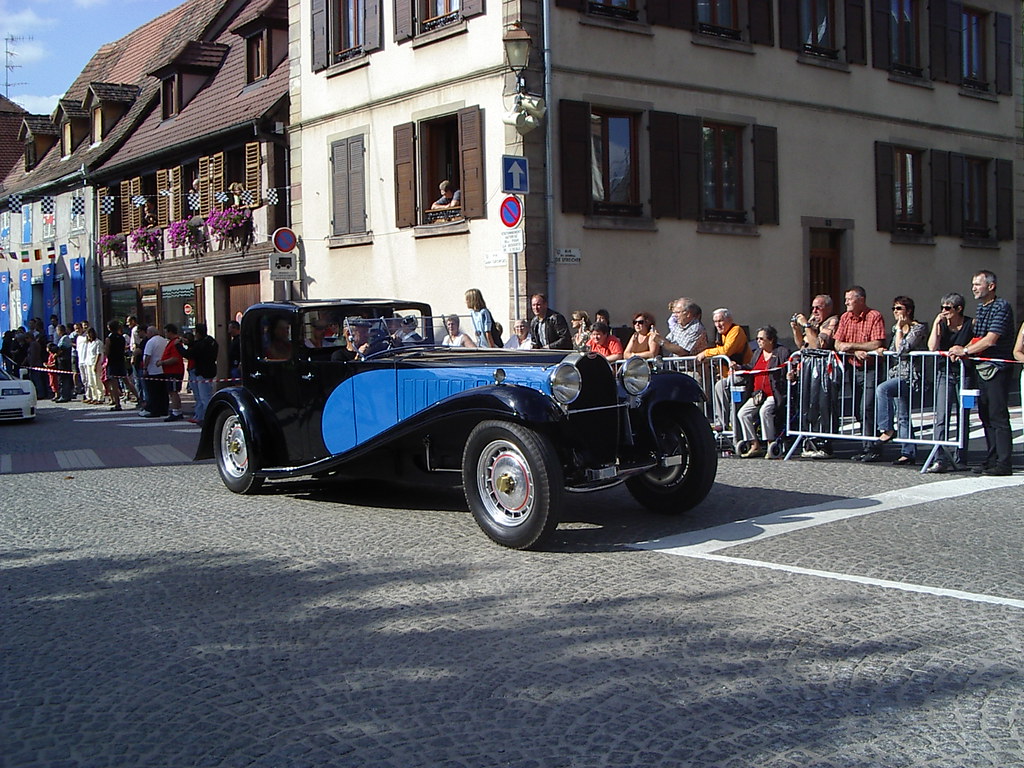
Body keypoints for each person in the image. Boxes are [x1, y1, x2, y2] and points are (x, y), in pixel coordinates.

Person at [948, 270, 1015, 476]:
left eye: (978, 284)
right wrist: (959, 349)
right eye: (973, 284)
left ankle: (1004, 463)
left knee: (998, 416)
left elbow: (991, 339)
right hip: (982, 367)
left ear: (991, 286)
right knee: (985, 415)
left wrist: (965, 351)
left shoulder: (1001, 307)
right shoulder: (981, 308)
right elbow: (978, 338)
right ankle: (991, 458)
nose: (974, 288)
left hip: (997, 368)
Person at [869, 297, 928, 465]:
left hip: (911, 376)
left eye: (899, 308)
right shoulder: (897, 328)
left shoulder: (918, 328)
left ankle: (887, 429)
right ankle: (908, 452)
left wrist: (901, 330)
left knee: (882, 389)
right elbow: (893, 350)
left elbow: (902, 350)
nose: (895, 312)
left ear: (908, 311)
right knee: (903, 415)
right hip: (896, 374)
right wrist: (883, 350)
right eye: (893, 308)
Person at [833, 286, 887, 461]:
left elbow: (877, 343)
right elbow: (838, 344)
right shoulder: (845, 317)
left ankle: (872, 447)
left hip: (871, 369)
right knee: (857, 408)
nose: (846, 302)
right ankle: (866, 444)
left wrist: (853, 346)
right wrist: (853, 350)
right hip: (853, 367)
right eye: (846, 299)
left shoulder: (874, 316)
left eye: (850, 298)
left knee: (868, 407)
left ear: (861, 300)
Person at [925, 293, 974, 473]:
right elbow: (932, 347)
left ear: (958, 309)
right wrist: (937, 324)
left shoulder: (970, 324)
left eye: (947, 308)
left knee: (963, 415)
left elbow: (973, 345)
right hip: (945, 373)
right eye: (942, 308)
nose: (943, 311)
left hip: (965, 374)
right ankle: (940, 458)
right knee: (942, 416)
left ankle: (961, 457)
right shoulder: (942, 325)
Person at [733, 326, 790, 458]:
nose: (758, 341)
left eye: (761, 339)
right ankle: (754, 443)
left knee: (764, 411)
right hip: (758, 393)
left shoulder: (781, 352)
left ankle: (770, 443)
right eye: (757, 338)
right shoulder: (757, 353)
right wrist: (739, 367)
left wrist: (791, 375)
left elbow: (788, 368)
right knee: (743, 413)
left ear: (771, 340)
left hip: (773, 393)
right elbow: (751, 368)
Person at [696, 308, 751, 432]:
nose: (718, 324)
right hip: (728, 374)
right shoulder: (721, 334)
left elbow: (726, 351)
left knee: (720, 387)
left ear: (729, 320)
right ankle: (722, 423)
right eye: (715, 322)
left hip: (743, 372)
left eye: (720, 321)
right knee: (719, 386)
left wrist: (706, 353)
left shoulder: (736, 331)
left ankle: (724, 424)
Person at [181, 323, 218, 425]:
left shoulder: (201, 344)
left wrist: (179, 347)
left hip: (202, 371)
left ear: (198, 333)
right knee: (207, 395)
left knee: (204, 397)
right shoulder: (211, 341)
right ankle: (203, 416)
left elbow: (189, 354)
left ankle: (208, 419)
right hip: (210, 370)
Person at [157, 324, 186, 422]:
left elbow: (175, 359)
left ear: (170, 332)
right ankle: (177, 411)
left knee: (173, 392)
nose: (165, 334)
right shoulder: (172, 343)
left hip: (174, 371)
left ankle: (176, 411)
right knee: (172, 391)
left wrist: (162, 362)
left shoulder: (175, 343)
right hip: (171, 371)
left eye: (166, 332)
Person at [140, 326, 169, 418]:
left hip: (153, 370)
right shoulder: (164, 341)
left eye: (148, 332)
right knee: (163, 392)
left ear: (151, 333)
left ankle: (154, 410)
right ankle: (164, 409)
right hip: (163, 370)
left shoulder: (151, 342)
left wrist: (145, 368)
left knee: (153, 392)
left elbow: (148, 356)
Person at [104, 320, 130, 411]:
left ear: (110, 328)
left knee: (114, 384)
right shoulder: (122, 338)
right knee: (126, 381)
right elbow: (123, 349)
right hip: (121, 361)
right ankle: (139, 398)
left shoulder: (109, 338)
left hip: (112, 362)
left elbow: (107, 351)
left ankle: (118, 404)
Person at [81, 327, 104, 404]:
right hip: (88, 363)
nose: (88, 335)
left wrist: (95, 364)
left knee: (97, 381)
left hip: (95, 363)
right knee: (91, 382)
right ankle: (94, 397)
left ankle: (100, 397)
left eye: (90, 333)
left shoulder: (98, 342)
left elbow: (98, 354)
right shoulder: (88, 343)